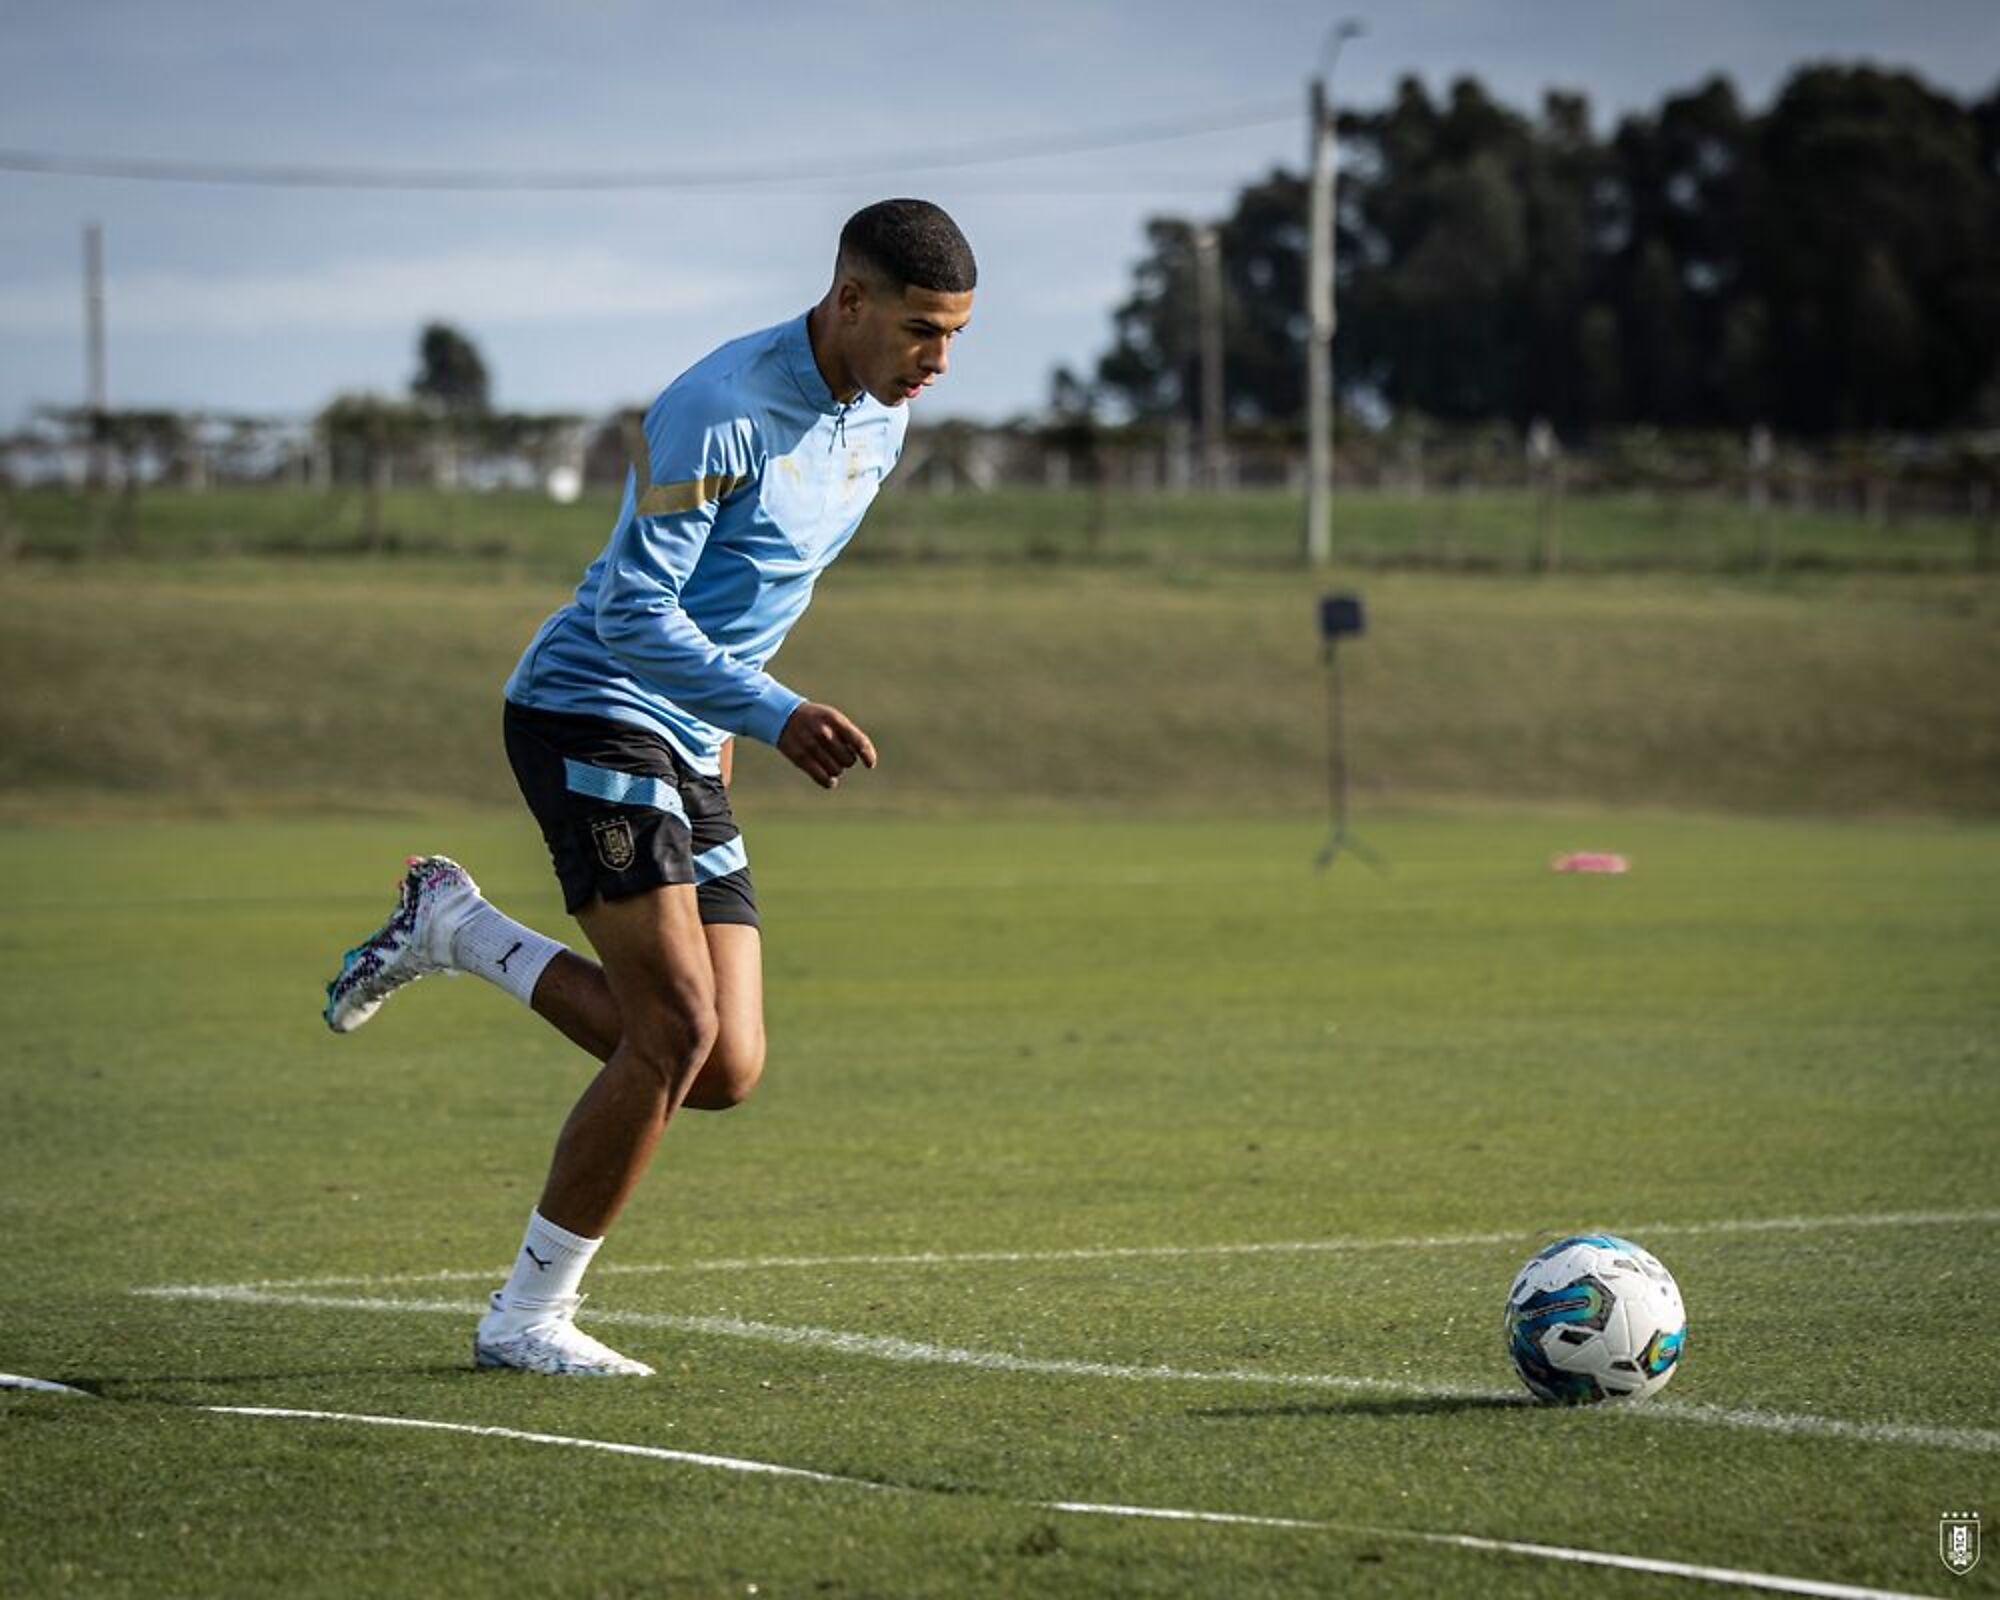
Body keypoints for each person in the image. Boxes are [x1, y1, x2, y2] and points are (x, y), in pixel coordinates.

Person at [322, 199, 976, 1376]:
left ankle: (457, 928)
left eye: (955, 337)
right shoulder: (717, 408)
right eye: (923, 330)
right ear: (849, 302)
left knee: (725, 1068)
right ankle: (524, 1319)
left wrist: (728, 730)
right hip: (590, 701)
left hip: (696, 731)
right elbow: (633, 615)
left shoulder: (880, 423)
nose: (938, 360)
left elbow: (759, 591)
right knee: (673, 1029)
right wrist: (774, 713)